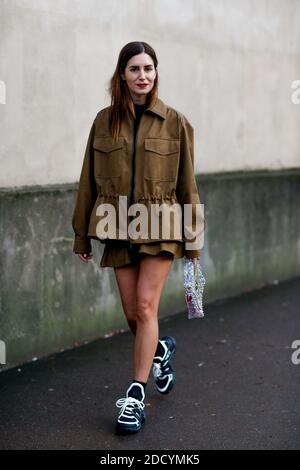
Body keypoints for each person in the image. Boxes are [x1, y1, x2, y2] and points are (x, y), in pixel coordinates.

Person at [72, 41, 204, 435]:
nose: (142, 75)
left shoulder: (175, 122)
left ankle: (134, 397)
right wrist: (82, 234)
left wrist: (193, 241)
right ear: (122, 75)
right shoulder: (103, 122)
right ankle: (161, 351)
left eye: (148, 68)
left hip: (161, 224)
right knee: (133, 316)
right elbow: (86, 181)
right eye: (134, 69)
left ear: (156, 73)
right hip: (116, 226)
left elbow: (188, 185)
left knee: (146, 309)